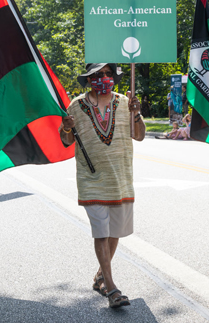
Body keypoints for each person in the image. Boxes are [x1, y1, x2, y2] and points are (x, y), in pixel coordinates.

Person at [60, 63, 145, 308]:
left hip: (120, 178)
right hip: (91, 179)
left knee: (114, 233)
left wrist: (136, 113)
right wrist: (67, 126)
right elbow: (66, 140)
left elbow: (138, 135)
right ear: (89, 79)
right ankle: (111, 287)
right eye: (98, 75)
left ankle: (100, 275)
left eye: (108, 74)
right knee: (101, 232)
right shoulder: (76, 105)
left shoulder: (125, 103)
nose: (104, 78)